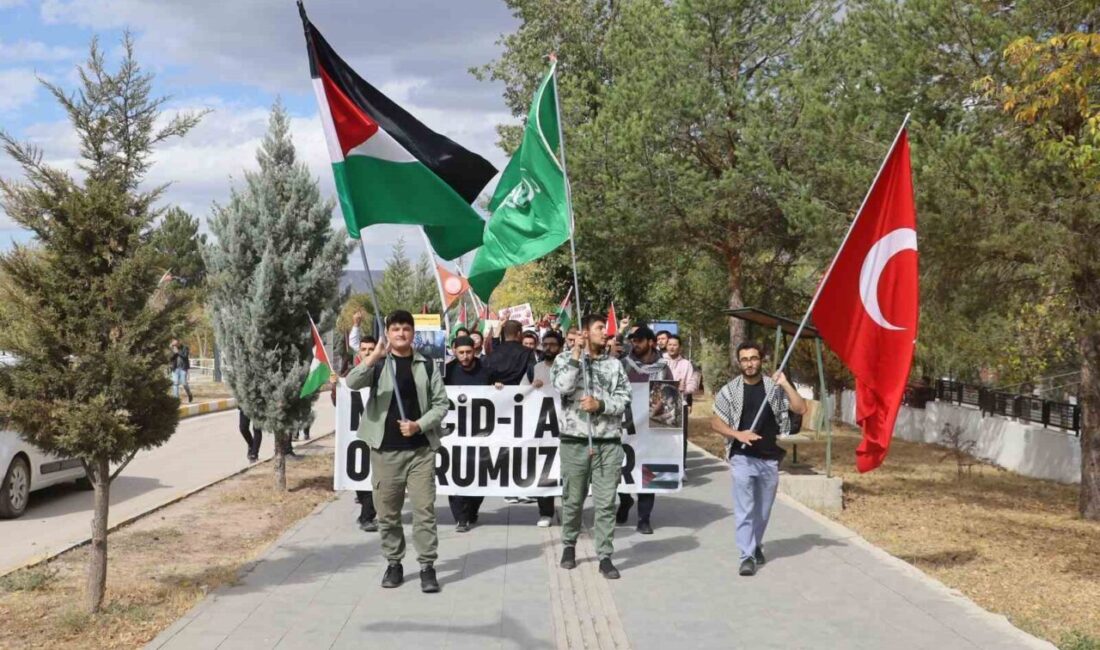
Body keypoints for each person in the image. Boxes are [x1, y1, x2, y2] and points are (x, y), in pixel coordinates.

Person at [346, 310, 450, 593]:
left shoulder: (426, 366)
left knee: (424, 511)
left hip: (420, 452)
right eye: (395, 329)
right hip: (385, 452)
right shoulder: (379, 365)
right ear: (388, 333)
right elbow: (351, 382)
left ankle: (427, 566)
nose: (401, 333)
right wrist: (375, 355)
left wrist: (418, 425)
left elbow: (442, 404)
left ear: (413, 333)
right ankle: (394, 562)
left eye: (406, 328)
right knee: (388, 513)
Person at [710, 341, 807, 577]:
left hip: (769, 458)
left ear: (760, 360)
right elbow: (715, 421)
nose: (749, 363)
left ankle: (755, 545)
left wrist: (784, 384)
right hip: (742, 457)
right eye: (744, 359)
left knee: (763, 511)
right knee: (745, 510)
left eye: (753, 358)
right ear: (739, 362)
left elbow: (800, 408)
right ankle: (746, 556)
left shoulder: (772, 387)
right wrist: (737, 434)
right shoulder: (730, 390)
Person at [552, 314, 631, 579]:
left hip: (608, 442)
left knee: (606, 501)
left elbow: (625, 398)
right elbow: (562, 387)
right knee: (573, 499)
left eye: (605, 329)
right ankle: (569, 545)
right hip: (575, 441)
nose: (606, 333)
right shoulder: (565, 360)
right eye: (599, 329)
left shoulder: (615, 365)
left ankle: (605, 555)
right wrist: (576, 354)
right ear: (585, 332)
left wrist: (602, 405)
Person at [617, 326, 673, 535]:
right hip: (626, 428)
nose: (635, 344)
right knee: (622, 471)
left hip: (652, 429)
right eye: (633, 340)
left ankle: (644, 518)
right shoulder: (624, 365)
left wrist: (663, 403)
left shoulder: (663, 368)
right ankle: (624, 501)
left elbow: (671, 396)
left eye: (639, 340)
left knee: (648, 474)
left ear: (651, 342)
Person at [443, 335, 493, 532]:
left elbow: (499, 392)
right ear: (454, 351)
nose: (464, 356)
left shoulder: (486, 369)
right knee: (455, 472)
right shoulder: (448, 371)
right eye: (461, 352)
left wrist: (498, 387)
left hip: (480, 431)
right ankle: (460, 517)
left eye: (468, 352)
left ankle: (471, 510)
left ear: (475, 351)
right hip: (455, 431)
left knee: (478, 473)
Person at [334, 336, 379, 531]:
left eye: (371, 348)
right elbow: (340, 404)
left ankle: (367, 517)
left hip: (379, 433)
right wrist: (336, 387)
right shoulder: (351, 374)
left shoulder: (383, 370)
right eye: (364, 349)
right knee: (361, 477)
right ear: (359, 351)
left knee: (375, 479)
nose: (368, 352)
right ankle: (365, 508)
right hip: (356, 435)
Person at [530, 330, 564, 527]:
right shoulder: (535, 368)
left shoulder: (570, 367)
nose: (548, 348)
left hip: (567, 426)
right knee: (544, 468)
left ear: (560, 347)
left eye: (553, 344)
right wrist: (533, 386)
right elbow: (521, 391)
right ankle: (546, 512)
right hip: (543, 426)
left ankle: (570, 510)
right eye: (546, 344)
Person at [664, 334, 700, 411]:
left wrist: (683, 390)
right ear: (666, 346)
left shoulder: (686, 364)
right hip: (661, 402)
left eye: (675, 345)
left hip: (680, 403)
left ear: (680, 347)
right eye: (669, 344)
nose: (672, 347)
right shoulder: (660, 361)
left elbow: (693, 383)